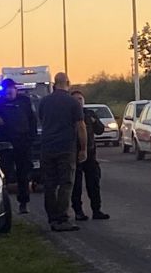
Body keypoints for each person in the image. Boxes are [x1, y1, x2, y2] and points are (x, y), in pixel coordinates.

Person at [37, 72, 87, 231]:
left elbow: (41, 120)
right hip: (66, 148)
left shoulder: (44, 101)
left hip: (47, 147)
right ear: (68, 83)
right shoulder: (73, 102)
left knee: (50, 184)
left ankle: (52, 218)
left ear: (54, 83)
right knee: (66, 183)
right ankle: (62, 218)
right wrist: (83, 148)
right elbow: (81, 126)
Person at [0, 78, 38, 214]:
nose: (9, 91)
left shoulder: (25, 101)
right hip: (6, 144)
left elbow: (32, 120)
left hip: (23, 142)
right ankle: (3, 203)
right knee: (6, 174)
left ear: (16, 89)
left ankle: (23, 203)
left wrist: (31, 138)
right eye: (6, 89)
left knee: (23, 174)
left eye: (11, 88)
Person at [70, 90, 109, 221]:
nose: (78, 102)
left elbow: (100, 130)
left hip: (90, 154)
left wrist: (94, 122)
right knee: (76, 185)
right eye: (75, 99)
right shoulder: (69, 115)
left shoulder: (89, 113)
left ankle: (96, 210)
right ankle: (78, 211)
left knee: (94, 183)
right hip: (75, 154)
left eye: (80, 99)